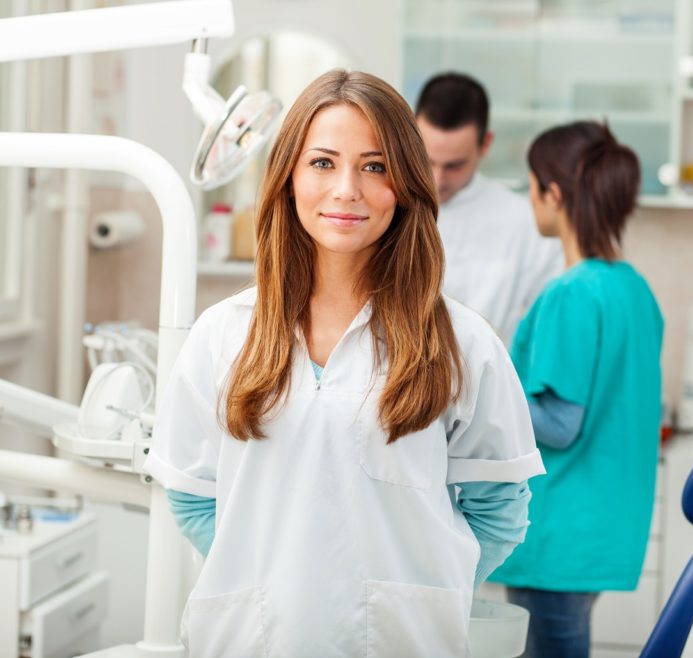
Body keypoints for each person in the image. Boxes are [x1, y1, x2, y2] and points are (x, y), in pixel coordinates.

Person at [143, 69, 545, 657]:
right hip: (253, 639)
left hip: (403, 642)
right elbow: (191, 494)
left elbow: (499, 510)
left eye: (375, 166)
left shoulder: (462, 343)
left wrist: (426, 579)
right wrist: (275, 576)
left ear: (406, 182)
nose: (347, 190)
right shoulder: (223, 334)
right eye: (323, 163)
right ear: (288, 178)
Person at [489, 121, 664, 658]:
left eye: (531, 187)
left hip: (559, 533)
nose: (530, 201)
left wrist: (476, 390)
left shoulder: (571, 293)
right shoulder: (633, 288)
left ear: (555, 194)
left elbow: (561, 425)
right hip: (603, 527)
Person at [414, 72, 563, 347]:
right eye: (428, 159)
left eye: (454, 165)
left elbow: (548, 327)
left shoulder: (525, 224)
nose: (437, 179)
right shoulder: (385, 209)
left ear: (485, 144)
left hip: (491, 384)